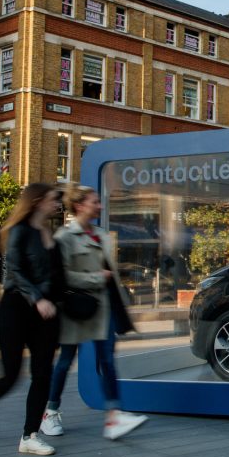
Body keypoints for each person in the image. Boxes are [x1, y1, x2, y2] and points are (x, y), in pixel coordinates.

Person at [40, 185, 147, 441]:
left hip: (103, 309)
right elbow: (61, 276)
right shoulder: (64, 237)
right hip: (77, 308)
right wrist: (95, 278)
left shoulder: (101, 234)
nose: (99, 206)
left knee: (107, 360)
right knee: (66, 360)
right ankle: (50, 412)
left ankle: (113, 416)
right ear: (79, 206)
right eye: (94, 202)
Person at [0, 183, 63, 455]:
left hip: (47, 311)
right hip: (17, 307)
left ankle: (29, 436)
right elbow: (16, 271)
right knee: (11, 375)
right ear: (39, 201)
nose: (59, 204)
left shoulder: (50, 234)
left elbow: (56, 275)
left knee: (43, 374)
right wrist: (38, 298)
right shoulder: (19, 231)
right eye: (55, 199)